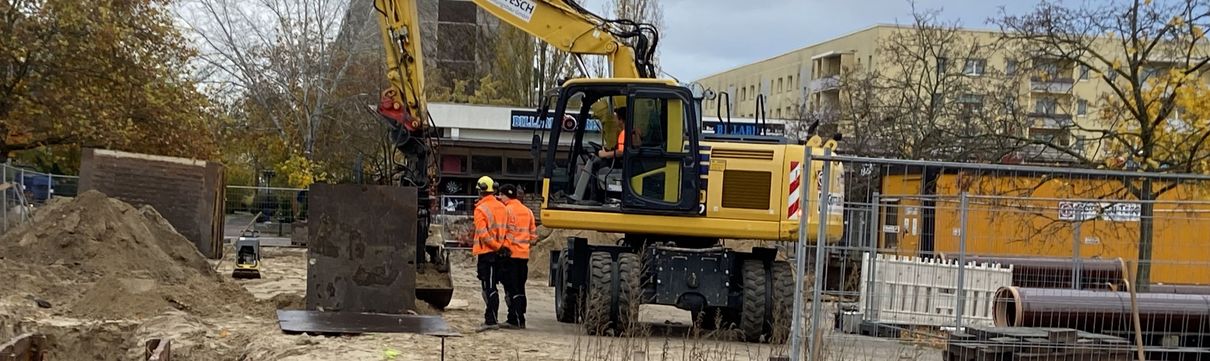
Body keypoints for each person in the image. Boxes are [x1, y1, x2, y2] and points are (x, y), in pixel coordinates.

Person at [472, 176, 510, 332]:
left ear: (481, 190)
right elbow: (507, 230)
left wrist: (495, 246)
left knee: (489, 287)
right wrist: (502, 247)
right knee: (492, 285)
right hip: (499, 252)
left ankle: (491, 319)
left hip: (488, 253)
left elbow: (483, 234)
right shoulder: (502, 207)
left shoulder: (481, 209)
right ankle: (491, 318)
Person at [498, 184, 535, 329]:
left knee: (511, 288)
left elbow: (501, 232)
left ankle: (514, 318)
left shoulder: (505, 211)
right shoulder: (528, 211)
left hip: (510, 255)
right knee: (520, 287)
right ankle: (521, 317)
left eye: (501, 195)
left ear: (506, 195)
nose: (499, 198)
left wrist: (500, 247)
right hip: (523, 256)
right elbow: (533, 235)